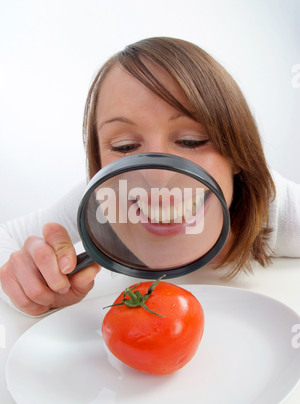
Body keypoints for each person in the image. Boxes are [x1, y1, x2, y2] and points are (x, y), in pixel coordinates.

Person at [0, 36, 299, 316]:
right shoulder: (107, 196)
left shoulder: (280, 209)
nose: (157, 179)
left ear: (238, 154)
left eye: (192, 141)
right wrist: (25, 284)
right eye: (125, 147)